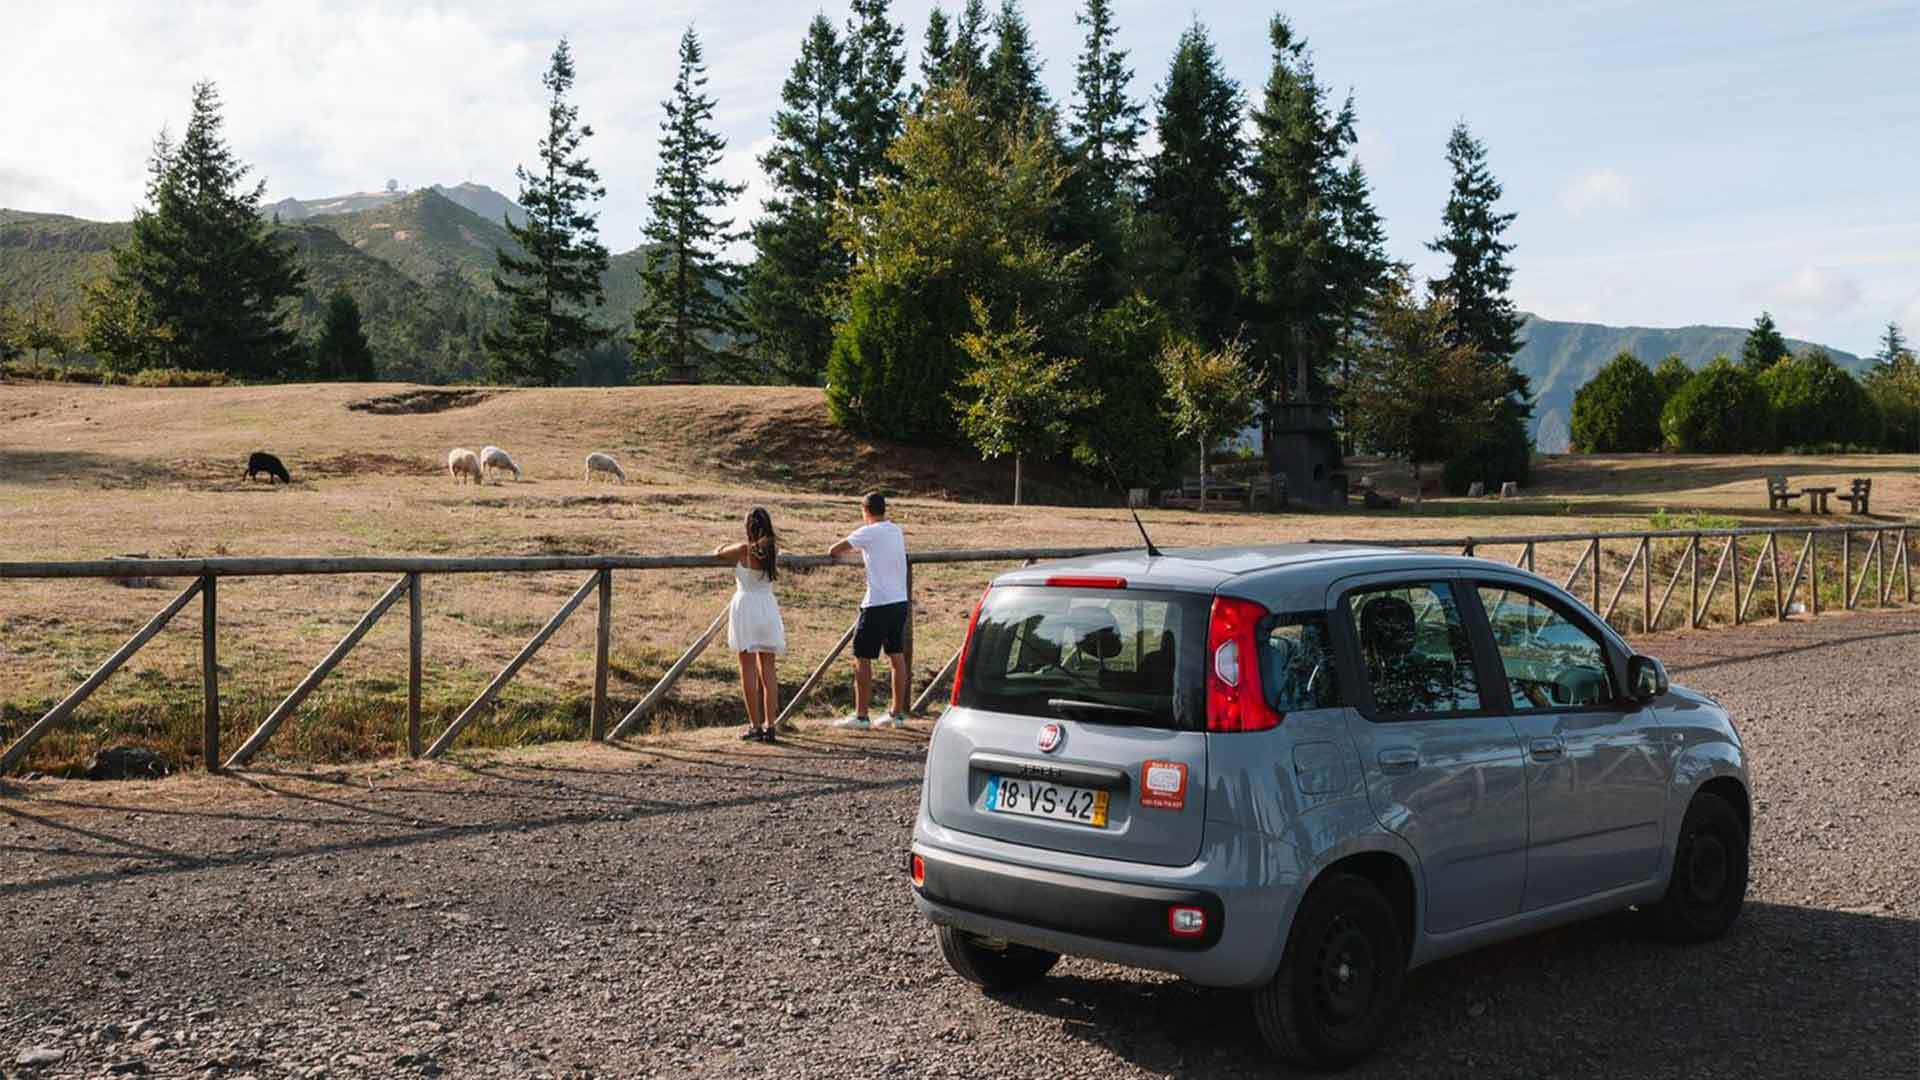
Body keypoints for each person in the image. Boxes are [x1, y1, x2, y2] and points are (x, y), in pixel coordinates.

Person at [828, 491, 909, 729]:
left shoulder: (868, 532)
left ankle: (861, 715)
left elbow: (835, 549)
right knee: (896, 655)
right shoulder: (896, 530)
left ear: (865, 511)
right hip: (899, 600)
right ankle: (897, 713)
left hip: (877, 603)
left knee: (862, 657)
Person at [716, 507, 786, 742]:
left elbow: (719, 552)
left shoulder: (745, 550)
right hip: (767, 605)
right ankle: (771, 725)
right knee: (768, 670)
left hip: (746, 606)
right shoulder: (772, 550)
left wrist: (723, 545)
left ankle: (755, 725)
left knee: (747, 668)